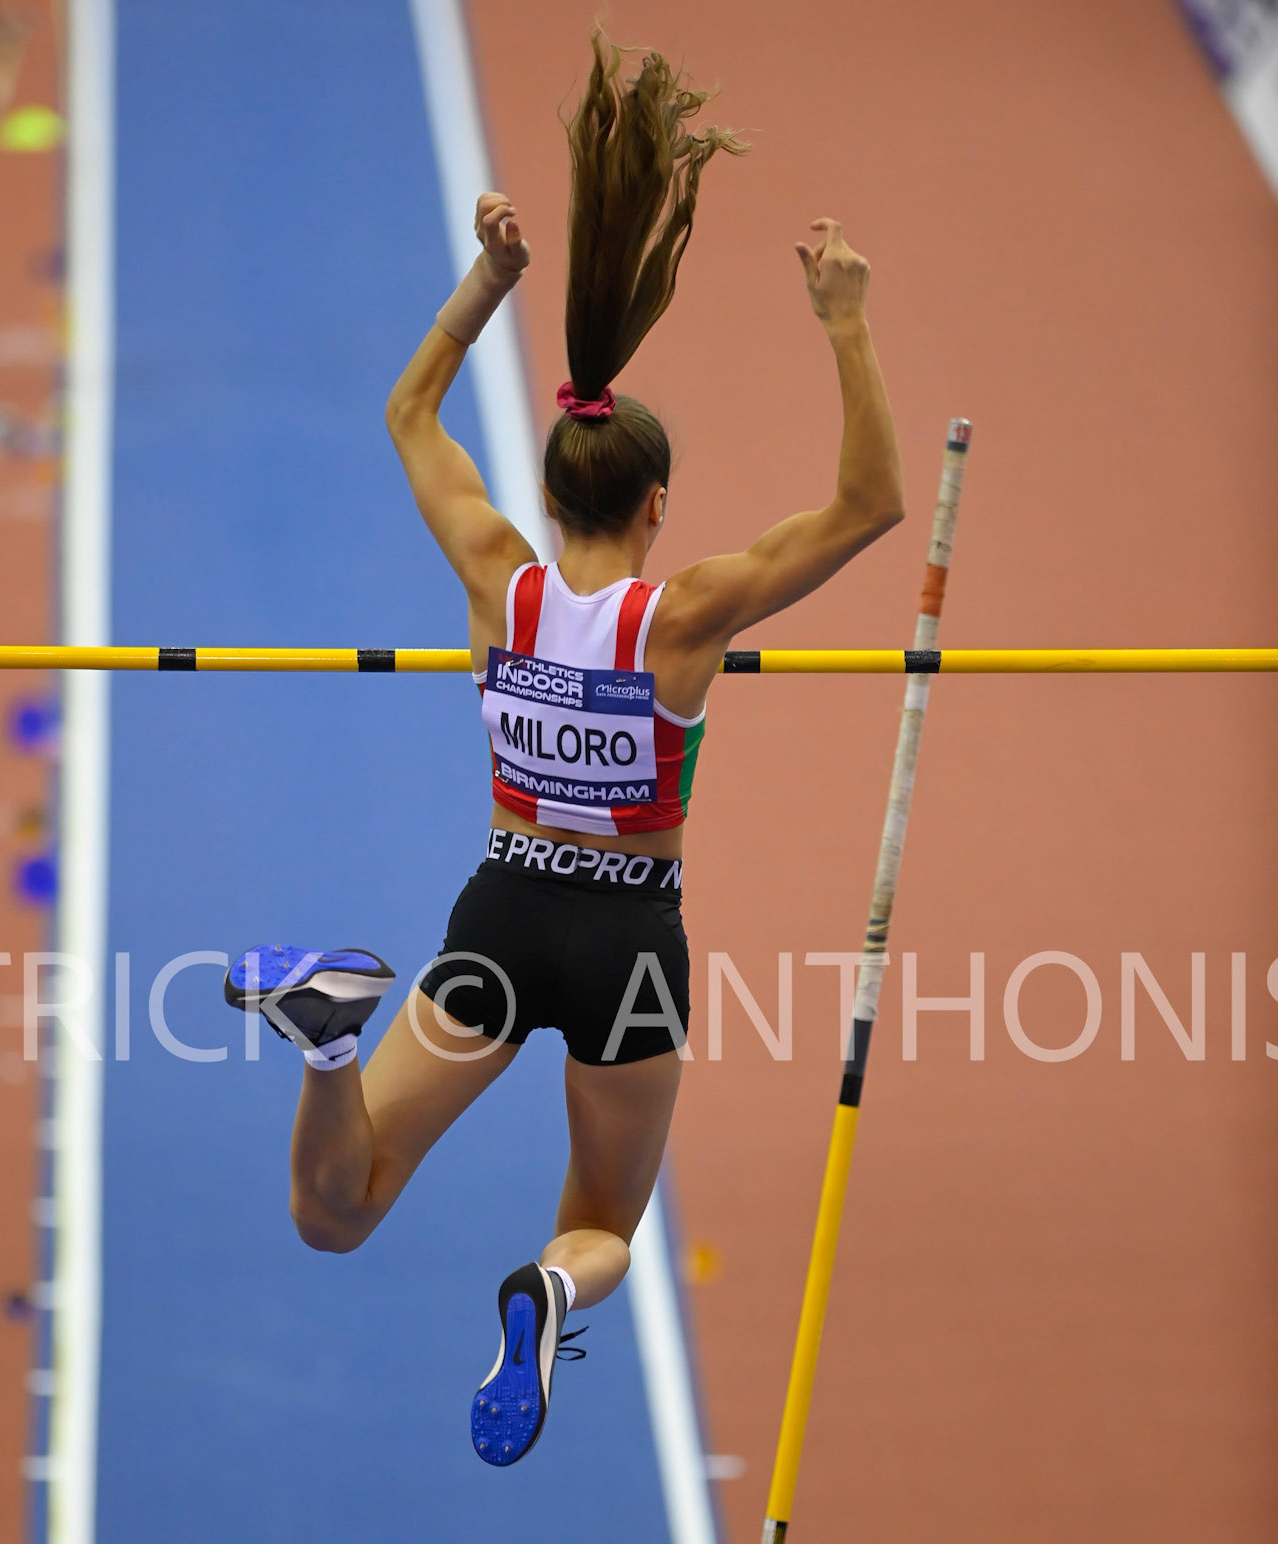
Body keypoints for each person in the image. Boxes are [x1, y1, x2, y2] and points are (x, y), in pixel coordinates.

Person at [225, 33, 904, 1469]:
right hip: (630, 939)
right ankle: (544, 1293)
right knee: (597, 1221)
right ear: (656, 504)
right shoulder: (691, 613)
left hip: (501, 912)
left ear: (546, 486)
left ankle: (330, 1043)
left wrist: (489, 284)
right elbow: (868, 505)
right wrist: (842, 319)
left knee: (333, 1210)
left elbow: (408, 412)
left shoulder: (496, 577)